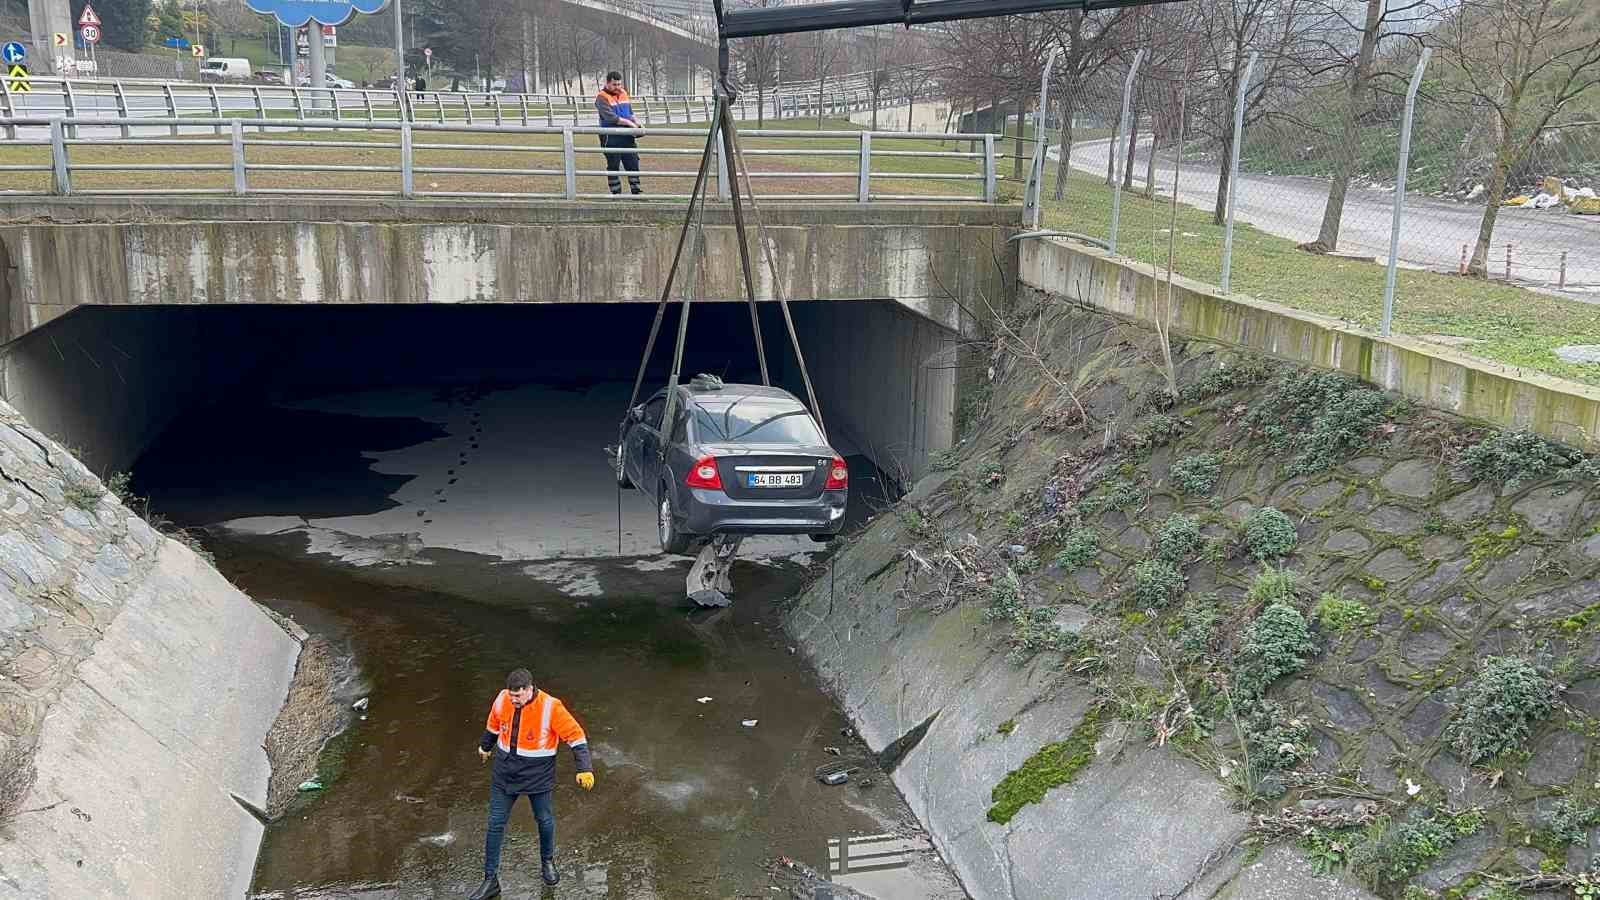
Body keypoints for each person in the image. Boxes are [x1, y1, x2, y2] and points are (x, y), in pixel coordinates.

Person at [468, 668, 594, 898]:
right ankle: (490, 880)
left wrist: (584, 768)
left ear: (529, 689)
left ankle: (547, 861)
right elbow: (493, 725)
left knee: (544, 820)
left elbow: (576, 736)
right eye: (510, 695)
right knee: (495, 824)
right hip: (505, 774)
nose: (513, 700)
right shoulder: (502, 699)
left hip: (538, 776)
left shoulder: (550, 707)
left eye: (517, 696)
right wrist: (485, 747)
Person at [595, 70, 644, 196]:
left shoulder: (623, 93)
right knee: (613, 164)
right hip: (610, 136)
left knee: (633, 162)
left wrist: (637, 123)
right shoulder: (601, 97)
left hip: (626, 136)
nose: (617, 87)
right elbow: (611, 117)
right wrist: (629, 124)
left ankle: (636, 191)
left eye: (619, 84)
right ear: (607, 83)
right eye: (614, 85)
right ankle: (616, 193)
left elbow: (630, 112)